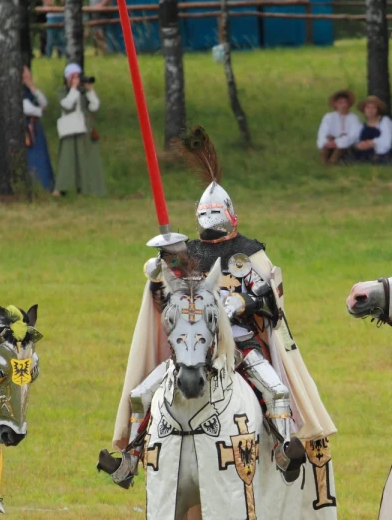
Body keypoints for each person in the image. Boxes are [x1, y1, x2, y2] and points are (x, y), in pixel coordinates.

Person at [113, 126, 337, 488]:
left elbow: (272, 299)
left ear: (230, 215)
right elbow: (166, 298)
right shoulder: (188, 254)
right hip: (196, 344)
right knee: (142, 392)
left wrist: (243, 301)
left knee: (276, 390)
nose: (212, 224)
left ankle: (282, 450)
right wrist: (158, 271)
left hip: (242, 341)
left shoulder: (251, 254)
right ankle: (132, 457)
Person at [53, 62, 105, 196]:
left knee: (87, 158)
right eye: (72, 76)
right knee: (67, 159)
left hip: (85, 127)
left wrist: (91, 91)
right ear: (67, 78)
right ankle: (62, 187)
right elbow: (66, 105)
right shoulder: (62, 91)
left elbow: (94, 107)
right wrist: (74, 89)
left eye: (77, 75)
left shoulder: (84, 91)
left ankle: (88, 187)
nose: (76, 78)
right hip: (71, 128)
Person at [22, 65, 54, 191]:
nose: (29, 76)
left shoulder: (29, 90)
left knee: (42, 154)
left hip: (35, 126)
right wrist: (39, 111)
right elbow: (26, 108)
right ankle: (36, 184)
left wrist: (32, 87)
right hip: (27, 127)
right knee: (33, 155)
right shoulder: (19, 92)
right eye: (26, 74)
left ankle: (47, 184)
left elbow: (44, 102)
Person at [316, 89, 361, 164]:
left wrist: (338, 142)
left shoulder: (354, 118)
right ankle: (323, 163)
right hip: (330, 141)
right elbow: (323, 131)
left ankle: (333, 162)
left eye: (345, 102)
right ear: (335, 104)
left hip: (346, 144)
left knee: (337, 154)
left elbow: (354, 135)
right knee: (324, 154)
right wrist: (327, 142)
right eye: (340, 103)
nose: (343, 105)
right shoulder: (329, 117)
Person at [352, 96, 392, 164]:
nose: (370, 110)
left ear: (378, 109)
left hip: (381, 153)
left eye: (373, 108)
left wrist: (372, 143)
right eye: (368, 107)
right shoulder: (362, 124)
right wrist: (359, 144)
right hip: (364, 151)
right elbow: (356, 137)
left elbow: (387, 140)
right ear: (364, 110)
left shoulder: (385, 121)